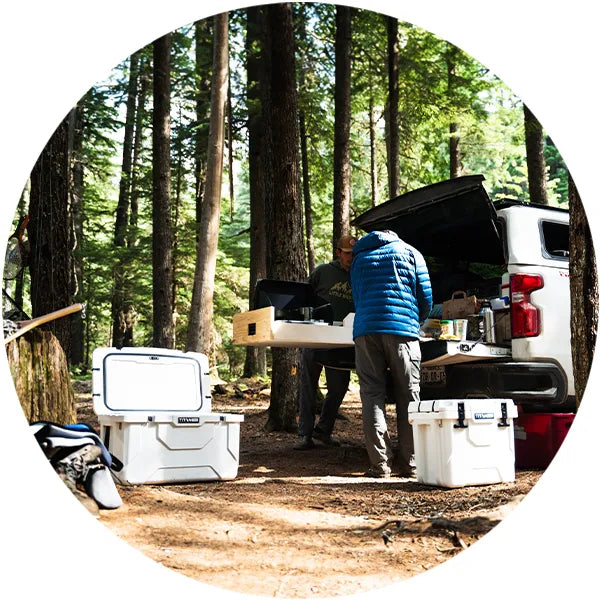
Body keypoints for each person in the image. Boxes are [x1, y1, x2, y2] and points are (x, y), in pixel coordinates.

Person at [350, 230, 432, 477]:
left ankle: (380, 465)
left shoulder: (359, 258)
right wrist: (416, 321)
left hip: (365, 332)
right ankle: (411, 464)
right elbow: (425, 296)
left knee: (371, 395)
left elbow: (357, 297)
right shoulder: (409, 252)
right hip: (402, 331)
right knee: (409, 395)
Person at [294, 234, 357, 450]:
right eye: (347, 253)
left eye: (354, 254)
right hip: (316, 335)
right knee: (308, 385)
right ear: (338, 252)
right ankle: (305, 434)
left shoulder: (359, 275)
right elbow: (304, 295)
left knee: (339, 386)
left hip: (343, 340)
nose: (351, 257)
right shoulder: (323, 271)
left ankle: (324, 430)